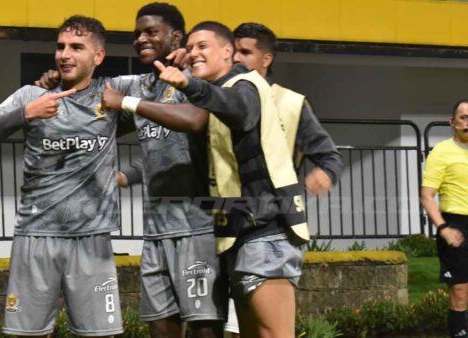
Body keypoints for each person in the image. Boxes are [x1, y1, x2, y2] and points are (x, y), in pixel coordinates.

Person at [102, 21, 308, 338]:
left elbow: (240, 111)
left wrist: (185, 85)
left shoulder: (245, 84)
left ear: (227, 52)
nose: (194, 52)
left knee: (274, 334)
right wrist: (126, 175)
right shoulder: (213, 97)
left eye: (203, 46)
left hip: (268, 229)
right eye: (191, 46)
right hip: (239, 232)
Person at [35, 4, 227, 338]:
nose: (140, 39)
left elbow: (196, 120)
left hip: (198, 227)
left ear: (176, 37)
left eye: (151, 31)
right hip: (155, 230)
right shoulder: (135, 85)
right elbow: (90, 94)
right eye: (137, 33)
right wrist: (54, 81)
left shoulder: (195, 77)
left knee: (203, 327)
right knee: (159, 324)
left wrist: (125, 103)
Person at [0, 16, 128, 337]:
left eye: (76, 47)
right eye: (60, 47)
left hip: (91, 237)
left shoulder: (112, 93)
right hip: (35, 235)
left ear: (98, 57)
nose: (65, 54)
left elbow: (165, 86)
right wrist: (26, 113)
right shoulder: (31, 96)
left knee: (101, 335)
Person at [223, 22, 343, 337]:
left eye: (245, 52)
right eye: (233, 50)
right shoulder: (220, 97)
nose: (237, 58)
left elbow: (328, 154)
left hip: (270, 227)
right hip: (226, 229)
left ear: (266, 60)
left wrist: (324, 173)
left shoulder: (289, 102)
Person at [421, 100, 468, 338]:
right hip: (456, 225)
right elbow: (427, 196)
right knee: (460, 290)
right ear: (453, 123)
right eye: (463, 118)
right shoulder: (441, 152)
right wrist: (443, 228)